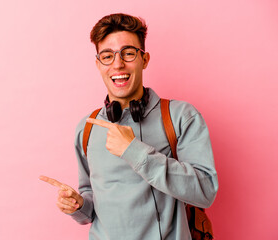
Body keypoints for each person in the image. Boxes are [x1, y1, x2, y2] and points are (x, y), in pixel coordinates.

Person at [40, 13, 218, 240]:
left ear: (144, 59)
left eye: (128, 53)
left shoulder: (181, 117)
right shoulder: (86, 129)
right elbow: (89, 209)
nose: (118, 64)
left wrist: (133, 150)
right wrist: (78, 205)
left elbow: (205, 191)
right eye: (107, 56)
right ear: (98, 64)